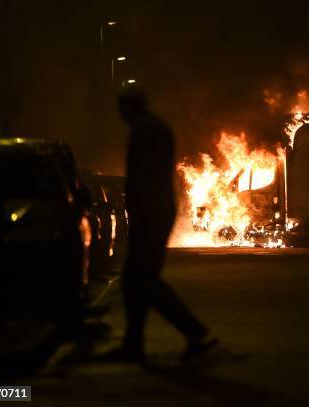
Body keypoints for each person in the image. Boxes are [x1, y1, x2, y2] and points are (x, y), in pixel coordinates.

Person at [108, 86, 216, 363]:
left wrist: (138, 213)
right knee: (138, 281)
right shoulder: (153, 127)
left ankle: (195, 332)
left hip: (151, 214)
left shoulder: (145, 130)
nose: (119, 114)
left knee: (141, 280)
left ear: (130, 107)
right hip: (155, 211)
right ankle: (136, 344)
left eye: (122, 107)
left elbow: (143, 177)